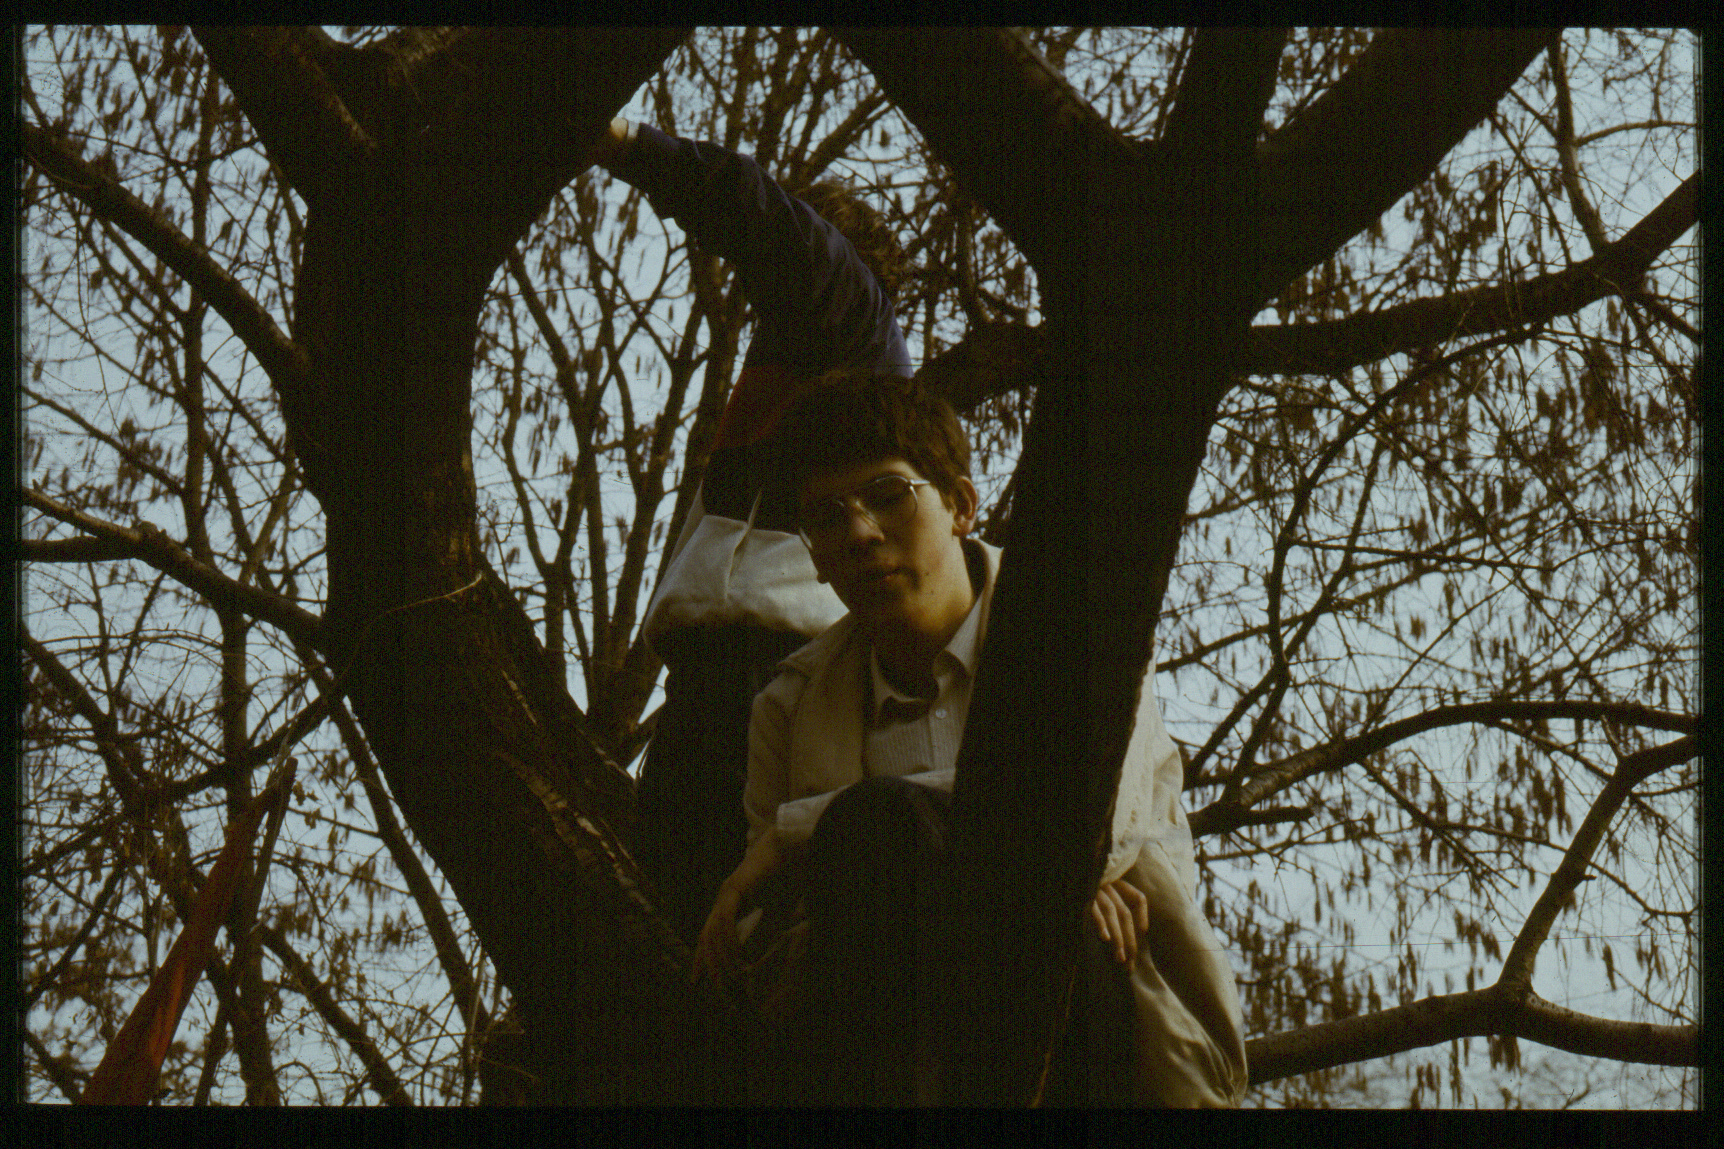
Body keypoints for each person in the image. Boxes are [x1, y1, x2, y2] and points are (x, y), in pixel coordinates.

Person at [690, 371, 1250, 1107]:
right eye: (826, 518)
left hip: (1099, 1030)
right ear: (815, 559)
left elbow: (1092, 824)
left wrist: (799, 830)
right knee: (875, 832)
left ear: (960, 504)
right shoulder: (789, 707)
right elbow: (772, 937)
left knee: (881, 822)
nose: (860, 533)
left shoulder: (1076, 634)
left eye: (889, 495)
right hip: (894, 1048)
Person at [590, 118, 913, 944]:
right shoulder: (778, 374)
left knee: (741, 921)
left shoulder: (852, 316)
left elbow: (764, 221)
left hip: (778, 671)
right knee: (663, 923)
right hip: (706, 681)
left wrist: (627, 144)